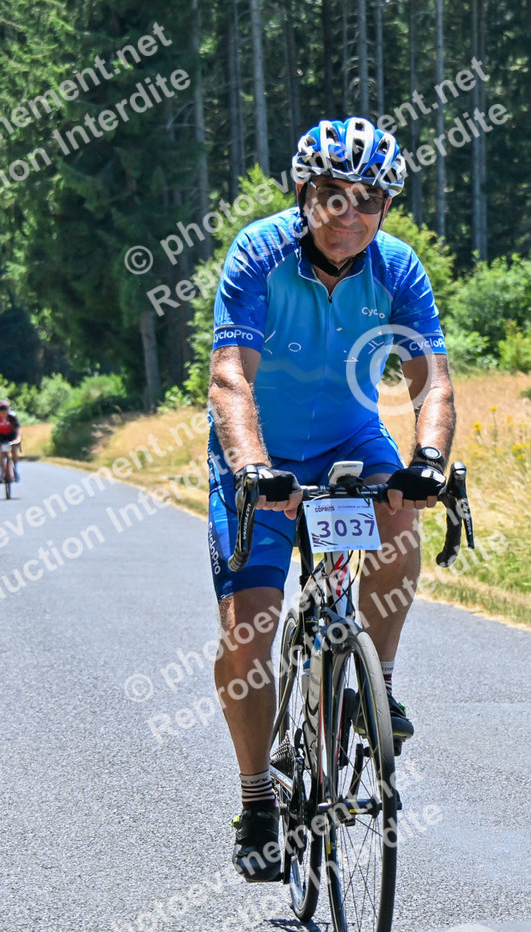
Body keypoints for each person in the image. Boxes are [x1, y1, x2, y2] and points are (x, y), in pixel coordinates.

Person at [206, 117, 456, 881]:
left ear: (387, 206)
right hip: (261, 455)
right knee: (247, 636)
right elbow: (230, 377)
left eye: (368, 199)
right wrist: (254, 469)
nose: (348, 214)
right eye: (331, 196)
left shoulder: (397, 268)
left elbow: (432, 382)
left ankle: (377, 687)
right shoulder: (259, 253)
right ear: (303, 194)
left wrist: (431, 459)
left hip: (351, 441)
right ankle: (257, 797)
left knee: (400, 512)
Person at [0, 400, 22, 483]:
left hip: (12, 435)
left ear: (8, 409)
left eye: (5, 410)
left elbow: (18, 429)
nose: (3, 412)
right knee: (1, 452)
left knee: (14, 450)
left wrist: (18, 439)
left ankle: (16, 470)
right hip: (1, 435)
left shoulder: (12, 416)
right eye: (1, 411)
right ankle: (0, 473)